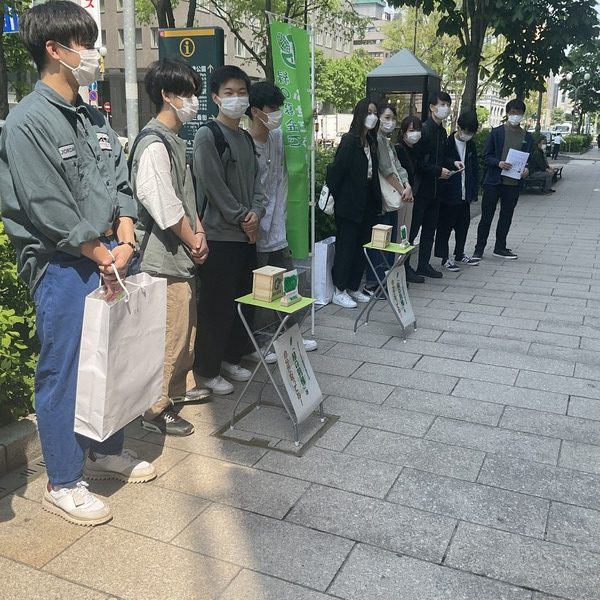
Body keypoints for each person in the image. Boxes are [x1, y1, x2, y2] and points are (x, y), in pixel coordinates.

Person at [0, 0, 156, 526]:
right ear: (54, 49)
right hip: (63, 266)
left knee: (111, 357)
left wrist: (126, 236)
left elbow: (120, 180)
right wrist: (99, 251)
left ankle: (104, 449)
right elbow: (45, 205)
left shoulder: (93, 117)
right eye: (86, 44)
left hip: (112, 255)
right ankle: (63, 480)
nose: (94, 52)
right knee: (64, 371)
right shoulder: (27, 122)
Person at [129, 59, 209, 437]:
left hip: (180, 254)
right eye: (188, 94)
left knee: (183, 332)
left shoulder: (173, 140)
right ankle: (154, 410)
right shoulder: (153, 143)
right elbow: (162, 203)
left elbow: (185, 199)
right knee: (169, 336)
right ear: (167, 95)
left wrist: (199, 233)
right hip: (162, 259)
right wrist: (194, 240)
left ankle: (175, 393)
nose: (193, 101)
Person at [192, 65, 265, 395]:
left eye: (241, 92)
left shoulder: (246, 138)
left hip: (246, 236)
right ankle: (207, 369)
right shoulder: (209, 135)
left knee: (242, 302)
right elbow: (213, 186)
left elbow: (258, 184)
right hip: (220, 236)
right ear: (215, 97)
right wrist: (242, 217)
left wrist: (256, 214)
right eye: (229, 93)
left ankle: (231, 358)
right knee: (216, 306)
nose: (236, 98)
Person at [246, 81, 316, 361]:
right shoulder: (245, 143)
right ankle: (255, 344)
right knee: (259, 290)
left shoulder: (276, 138)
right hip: (254, 230)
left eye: (278, 108)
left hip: (277, 228)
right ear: (255, 111)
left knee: (289, 282)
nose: (277, 114)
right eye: (272, 108)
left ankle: (291, 336)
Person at [326, 98, 382, 309]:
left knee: (361, 246)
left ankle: (353, 286)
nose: (372, 116)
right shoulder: (349, 141)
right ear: (360, 114)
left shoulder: (372, 142)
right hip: (349, 204)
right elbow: (336, 171)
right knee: (346, 247)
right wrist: (338, 197)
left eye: (375, 113)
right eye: (369, 112)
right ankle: (339, 289)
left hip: (367, 202)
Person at [407, 91, 460, 281]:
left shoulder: (442, 132)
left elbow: (442, 157)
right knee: (413, 231)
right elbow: (418, 163)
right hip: (421, 190)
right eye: (442, 104)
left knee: (430, 230)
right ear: (431, 107)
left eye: (447, 104)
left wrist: (453, 163)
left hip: (437, 190)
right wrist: (438, 171)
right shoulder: (423, 130)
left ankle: (423, 265)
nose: (445, 108)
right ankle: (405, 267)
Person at [473, 99, 534, 260]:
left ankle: (500, 247)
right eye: (513, 113)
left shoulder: (527, 137)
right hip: (494, 181)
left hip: (513, 183)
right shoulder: (497, 133)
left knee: (506, 216)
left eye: (519, 113)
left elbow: (529, 159)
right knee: (486, 216)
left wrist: (527, 169)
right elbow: (486, 155)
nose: (516, 116)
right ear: (507, 113)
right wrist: (498, 163)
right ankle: (479, 249)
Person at [364, 104, 413, 293]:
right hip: (383, 199)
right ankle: (374, 282)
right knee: (381, 242)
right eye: (386, 117)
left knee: (388, 241)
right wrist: (403, 190)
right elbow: (386, 170)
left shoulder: (387, 141)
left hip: (393, 198)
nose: (390, 122)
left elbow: (398, 167)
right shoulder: (376, 140)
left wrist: (407, 185)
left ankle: (384, 280)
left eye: (393, 118)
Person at [434, 110, 481, 272]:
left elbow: (474, 168)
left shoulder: (471, 145)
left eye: (471, 132)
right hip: (449, 192)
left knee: (463, 225)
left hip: (465, 192)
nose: (467, 135)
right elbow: (441, 160)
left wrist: (473, 191)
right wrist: (452, 162)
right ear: (458, 127)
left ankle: (459, 253)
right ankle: (444, 257)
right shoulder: (448, 143)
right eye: (465, 131)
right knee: (445, 226)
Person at [395, 115, 425, 282]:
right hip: (404, 197)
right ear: (403, 131)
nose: (415, 134)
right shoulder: (399, 149)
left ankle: (405, 267)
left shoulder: (417, 149)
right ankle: (402, 268)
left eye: (418, 130)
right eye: (412, 130)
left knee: (411, 233)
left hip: (416, 196)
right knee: (404, 234)